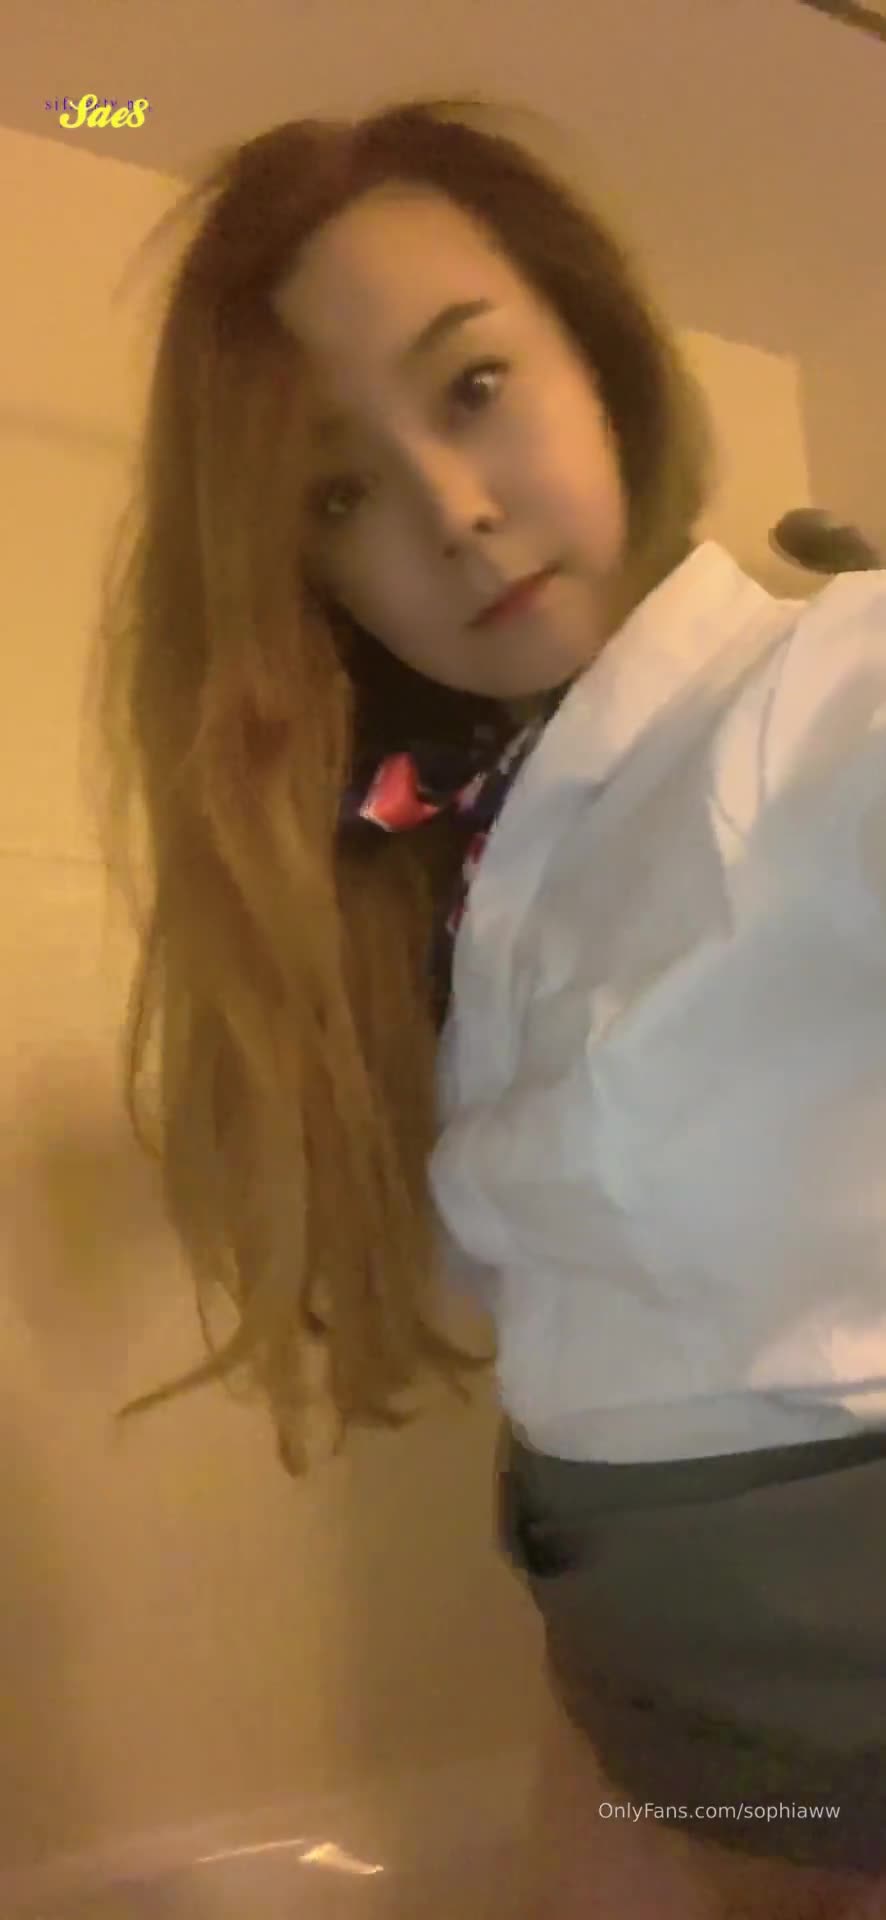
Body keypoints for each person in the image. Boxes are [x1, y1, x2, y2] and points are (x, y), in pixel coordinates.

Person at [88, 93, 886, 1917]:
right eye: (339, 494)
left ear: (596, 360)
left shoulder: (829, 688)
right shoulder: (461, 861)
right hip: (634, 1700)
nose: (451, 514)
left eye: (470, 387)